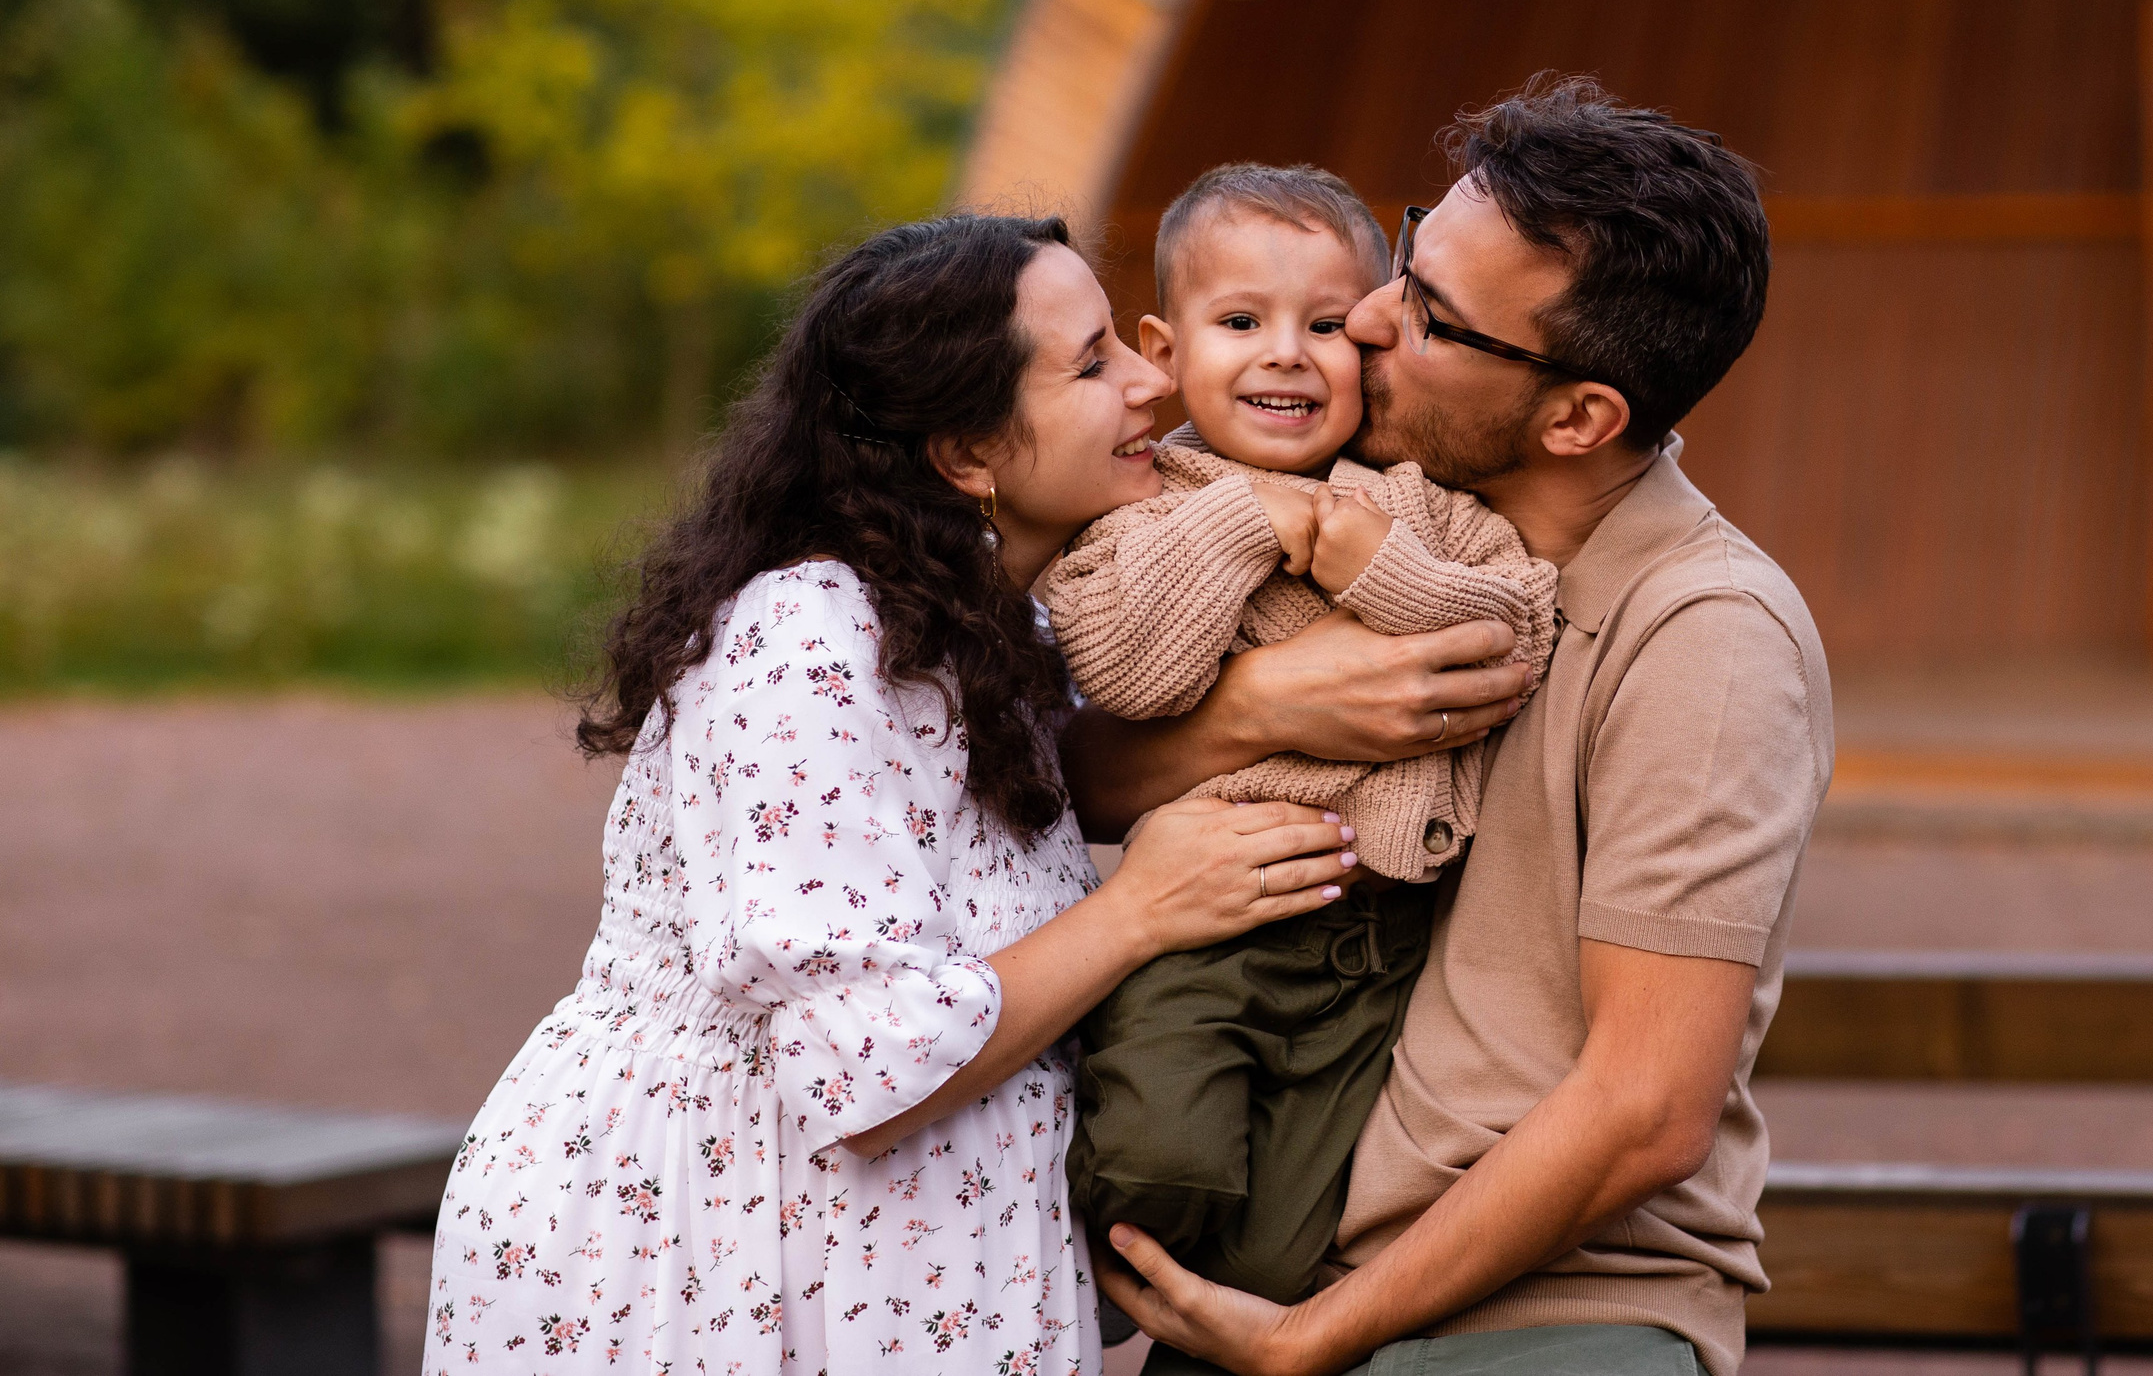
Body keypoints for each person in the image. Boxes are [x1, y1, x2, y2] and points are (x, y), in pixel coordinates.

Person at [422, 214, 1365, 1375]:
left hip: (871, 1261)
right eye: (1092, 362)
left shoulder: (992, 622)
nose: (1150, 380)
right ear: (968, 456)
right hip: (711, 1264)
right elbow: (865, 1074)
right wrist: (1142, 910)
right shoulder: (807, 639)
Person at [1068, 76, 1832, 1376]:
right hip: (1285, 1258)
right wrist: (1260, 708)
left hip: (1536, 1313)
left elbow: (1646, 1109)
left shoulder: (1705, 634)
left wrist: (1316, 1335)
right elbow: (1076, 775)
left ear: (1579, 415)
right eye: (1407, 261)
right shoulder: (1356, 522)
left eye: (1425, 313)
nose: (1361, 319)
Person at [1045, 164, 1558, 1309]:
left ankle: (1212, 1327)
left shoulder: (1415, 504)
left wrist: (1366, 559)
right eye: (1240, 322)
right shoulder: (1141, 508)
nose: (1285, 352)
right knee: (1154, 1166)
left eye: (1325, 325)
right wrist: (1253, 517)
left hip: (1378, 947)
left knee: (1284, 1258)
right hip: (1209, 923)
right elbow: (1134, 669)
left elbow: (1514, 626)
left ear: (1368, 347)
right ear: (1164, 350)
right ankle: (1079, 1294)